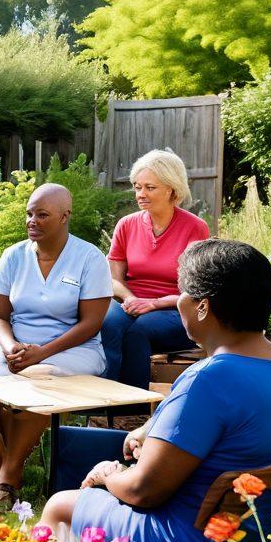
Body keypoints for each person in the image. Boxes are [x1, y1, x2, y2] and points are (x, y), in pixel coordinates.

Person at [39, 240, 271, 542]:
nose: (178, 301)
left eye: (181, 292)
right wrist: (147, 429)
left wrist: (108, 477)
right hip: (257, 537)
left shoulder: (208, 378)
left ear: (202, 307)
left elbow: (144, 490)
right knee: (75, 447)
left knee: (61, 504)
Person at [0, 184, 112, 509]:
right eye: (29, 213)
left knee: (36, 382)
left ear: (65, 216)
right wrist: (9, 346)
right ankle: (0, 466)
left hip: (74, 347)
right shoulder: (14, 256)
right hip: (14, 343)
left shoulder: (89, 258)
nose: (32, 221)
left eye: (42, 215)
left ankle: (10, 475)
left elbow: (91, 323)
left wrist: (41, 353)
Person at [100, 149, 210, 388]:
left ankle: (130, 409)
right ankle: (101, 400)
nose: (141, 194)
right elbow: (113, 279)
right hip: (130, 302)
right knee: (107, 321)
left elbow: (196, 290)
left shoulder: (195, 228)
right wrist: (131, 300)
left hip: (175, 308)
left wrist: (154, 303)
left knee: (139, 331)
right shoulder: (126, 225)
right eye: (137, 187)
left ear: (171, 189)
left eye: (150, 188)